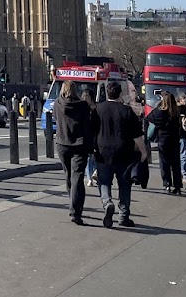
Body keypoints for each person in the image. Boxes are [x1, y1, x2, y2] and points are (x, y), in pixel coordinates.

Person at [94, 80, 148, 229]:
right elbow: (136, 134)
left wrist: (92, 148)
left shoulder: (98, 109)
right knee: (124, 184)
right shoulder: (126, 111)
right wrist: (143, 151)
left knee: (104, 182)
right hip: (124, 152)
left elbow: (92, 131)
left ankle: (107, 202)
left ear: (107, 93)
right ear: (120, 93)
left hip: (103, 152)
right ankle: (123, 216)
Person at [54, 79, 96, 225]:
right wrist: (91, 147)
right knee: (77, 177)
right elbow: (87, 127)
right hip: (79, 144)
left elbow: (55, 119)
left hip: (62, 144)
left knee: (68, 176)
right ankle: (75, 211)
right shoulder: (83, 106)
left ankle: (72, 203)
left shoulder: (57, 104)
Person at [147, 92, 183, 194]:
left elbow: (149, 117)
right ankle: (177, 186)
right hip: (175, 140)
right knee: (176, 164)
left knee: (164, 163)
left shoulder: (160, 112)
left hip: (163, 139)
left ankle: (167, 184)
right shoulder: (176, 112)